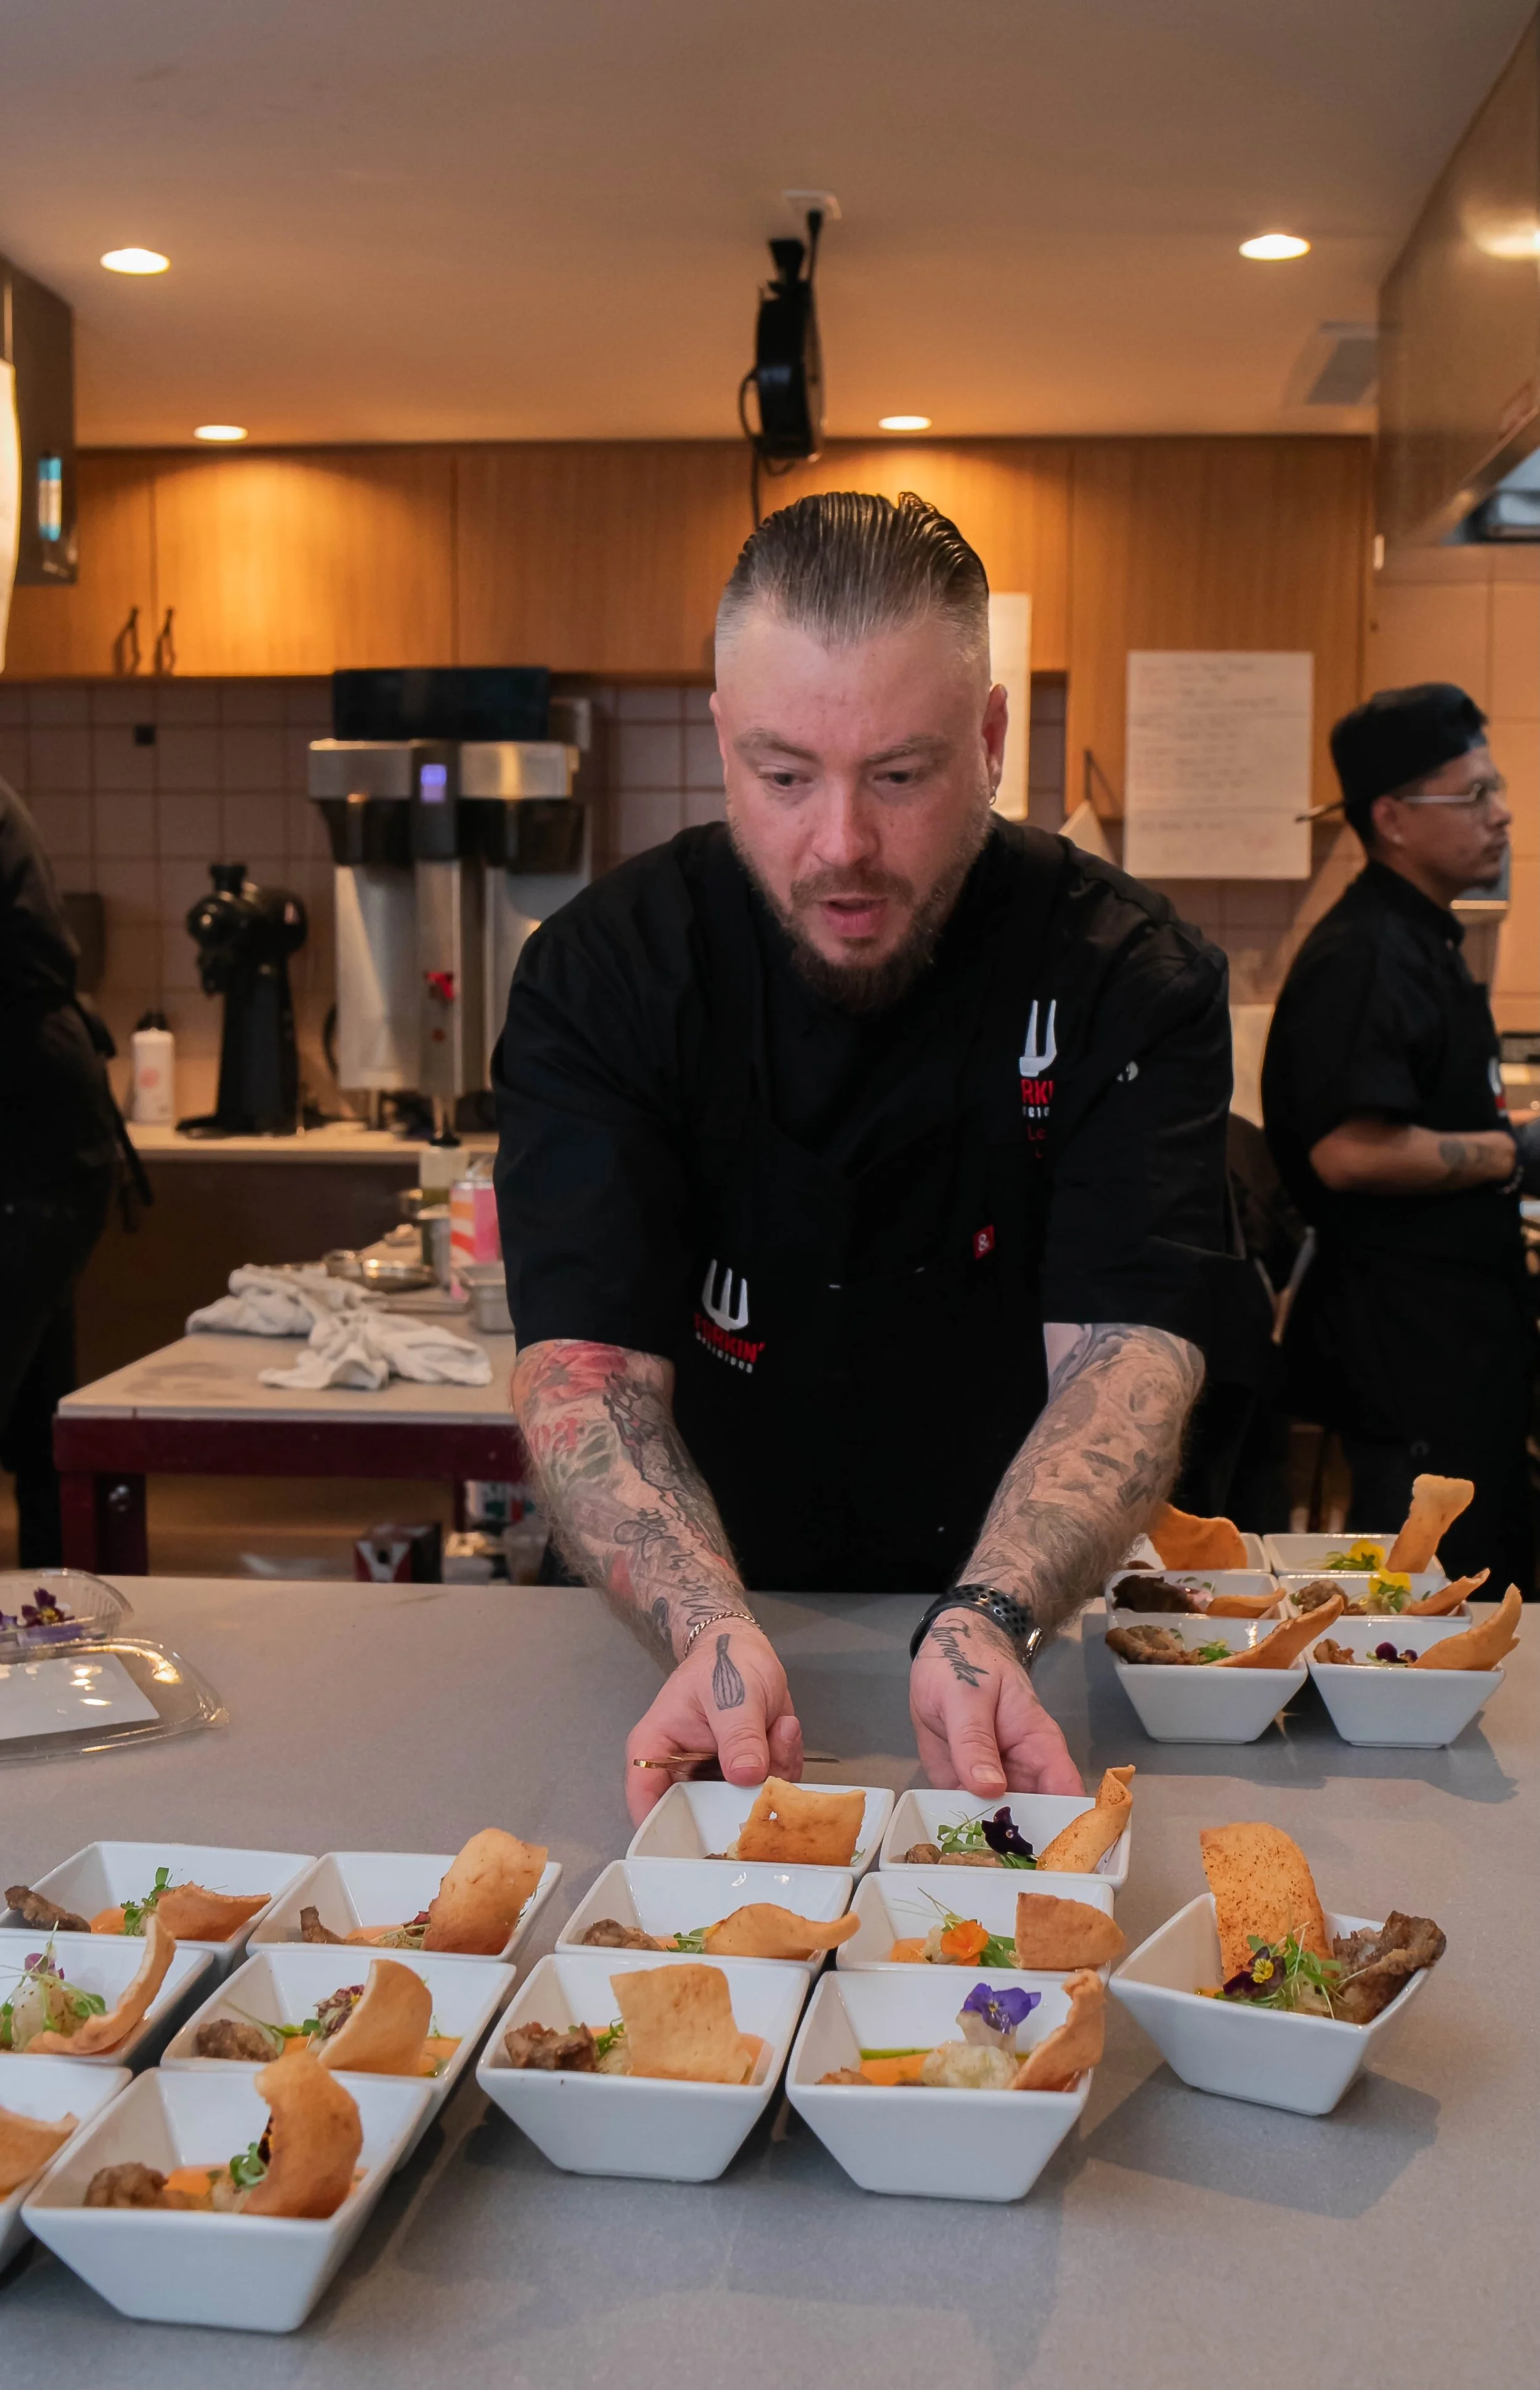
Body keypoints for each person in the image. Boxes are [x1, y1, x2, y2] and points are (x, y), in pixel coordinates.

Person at [494, 492, 1241, 1819]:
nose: (840, 843)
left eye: (900, 776)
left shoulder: (1126, 976)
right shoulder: (607, 974)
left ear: (992, 738)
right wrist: (705, 1628)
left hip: (1014, 1623)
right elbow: (583, 1369)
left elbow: (1127, 1355)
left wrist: (991, 1614)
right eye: (783, 776)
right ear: (723, 743)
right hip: (693, 1622)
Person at [1262, 683, 1536, 1594]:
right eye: (1473, 797)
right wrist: (1515, 1152)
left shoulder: (1420, 939)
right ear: (1392, 818)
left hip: (1455, 1340)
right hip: (1408, 1349)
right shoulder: (1370, 951)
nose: (1500, 816)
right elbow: (1350, 1150)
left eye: (1497, 791)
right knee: (1426, 1601)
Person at [0, 777, 120, 1563]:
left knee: (42, 1424)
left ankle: (55, 1629)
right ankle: (54, 1627)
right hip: (45, 1139)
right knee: (42, 1423)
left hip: (30, 1146)